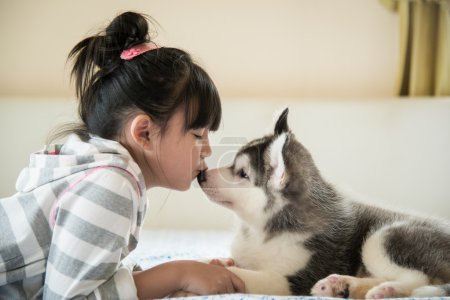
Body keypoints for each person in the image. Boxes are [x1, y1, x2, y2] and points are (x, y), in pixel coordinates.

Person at [0, 11, 245, 299]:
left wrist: (183, 275)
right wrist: (179, 274)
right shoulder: (111, 183)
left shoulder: (100, 172)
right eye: (197, 134)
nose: (207, 149)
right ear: (144, 133)